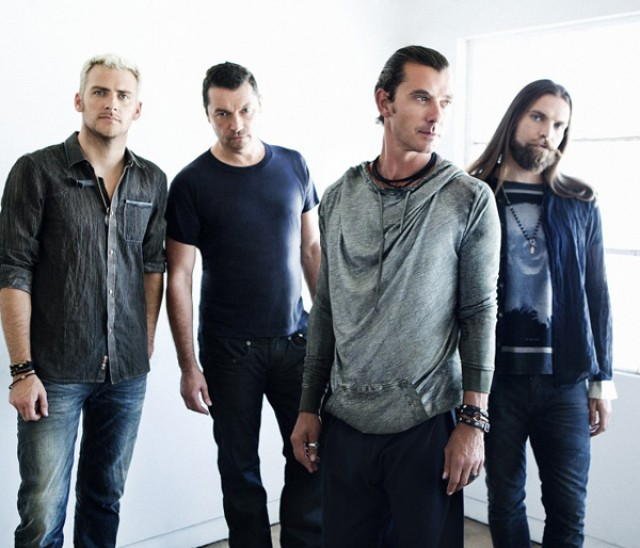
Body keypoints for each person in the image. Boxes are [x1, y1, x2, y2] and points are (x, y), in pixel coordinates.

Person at [290, 45, 501, 547]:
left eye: (445, 102)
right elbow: (327, 310)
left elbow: (479, 314)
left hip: (425, 424)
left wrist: (473, 422)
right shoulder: (339, 196)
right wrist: (308, 405)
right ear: (384, 101)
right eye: (422, 97)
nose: (437, 115)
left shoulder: (468, 199)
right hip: (345, 421)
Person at [0, 54, 167, 547]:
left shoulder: (152, 180)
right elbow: (12, 269)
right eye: (100, 92)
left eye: (122, 95)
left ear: (137, 109)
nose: (111, 103)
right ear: (79, 100)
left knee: (104, 498)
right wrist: (22, 370)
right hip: (54, 372)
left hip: (126, 375)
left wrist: (144, 340)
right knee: (42, 512)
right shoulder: (36, 171)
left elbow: (153, 266)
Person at [165, 61, 322, 548]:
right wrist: (188, 366)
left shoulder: (294, 165)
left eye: (245, 110)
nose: (236, 123)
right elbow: (179, 276)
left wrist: (331, 333)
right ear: (208, 114)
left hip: (296, 341)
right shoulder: (191, 183)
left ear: (259, 105)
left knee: (311, 455)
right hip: (229, 350)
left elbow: (311, 249)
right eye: (223, 113)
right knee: (239, 469)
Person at [468, 79, 616, 547]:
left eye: (558, 125)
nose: (547, 132)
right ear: (514, 118)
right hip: (496, 382)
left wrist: (602, 380)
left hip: (565, 381)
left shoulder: (579, 202)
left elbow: (597, 293)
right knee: (505, 501)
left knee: (569, 509)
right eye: (538, 117)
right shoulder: (474, 195)